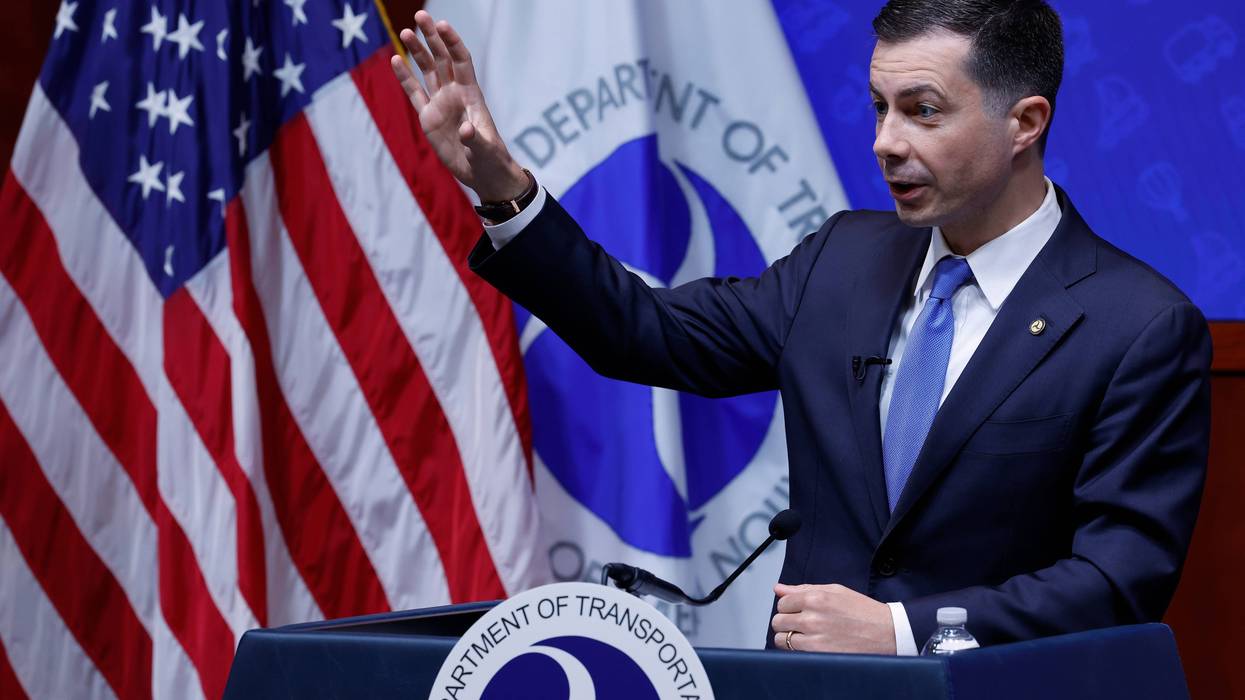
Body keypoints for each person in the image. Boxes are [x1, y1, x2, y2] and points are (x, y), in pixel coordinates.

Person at [389, 0, 1212, 655]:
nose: (886, 143)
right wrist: (503, 193)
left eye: (923, 111)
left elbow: (1117, 580)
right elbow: (641, 332)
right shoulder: (843, 260)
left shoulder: (1137, 326)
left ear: (1024, 122)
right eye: (879, 107)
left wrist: (900, 632)